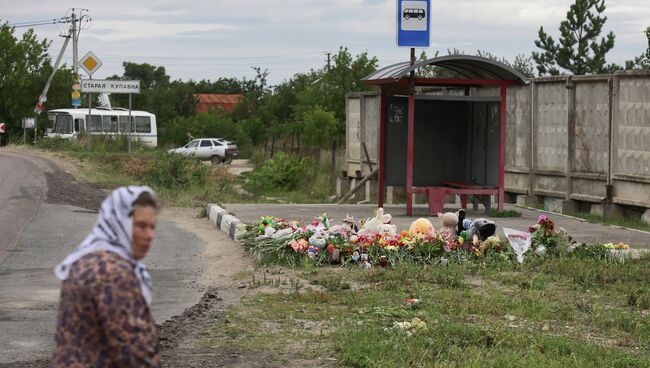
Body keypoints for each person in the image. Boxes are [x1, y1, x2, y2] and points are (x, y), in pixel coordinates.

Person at [52, 186, 161, 367]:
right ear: (118, 223)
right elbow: (136, 354)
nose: (150, 235)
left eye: (152, 227)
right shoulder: (113, 274)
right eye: (141, 225)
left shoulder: (86, 260)